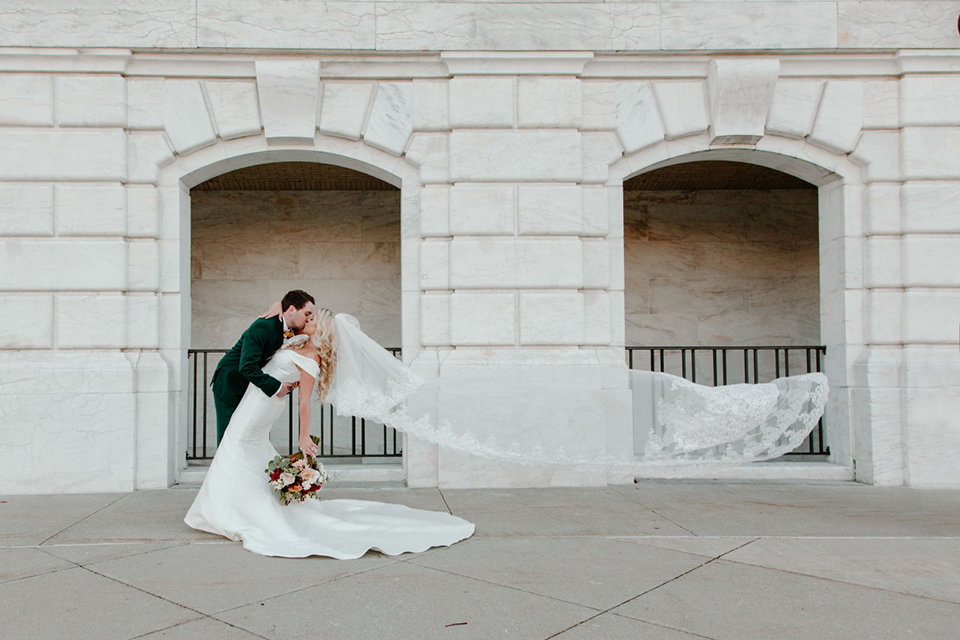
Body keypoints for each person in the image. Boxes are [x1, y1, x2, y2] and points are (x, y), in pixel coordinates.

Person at [185, 308, 475, 559]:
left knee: (237, 448)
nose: (308, 319)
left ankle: (226, 512)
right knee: (242, 452)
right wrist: (276, 307)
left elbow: (304, 404)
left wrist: (303, 437)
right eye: (308, 315)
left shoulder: (311, 357)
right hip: (259, 404)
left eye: (313, 318)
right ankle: (230, 508)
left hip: (258, 410)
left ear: (320, 328)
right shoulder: (299, 343)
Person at [211, 290, 315, 444]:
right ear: (292, 310)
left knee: (251, 433)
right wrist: (277, 387)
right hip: (231, 382)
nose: (308, 319)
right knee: (230, 434)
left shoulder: (293, 331)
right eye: (306, 314)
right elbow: (246, 367)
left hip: (254, 384)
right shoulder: (263, 326)